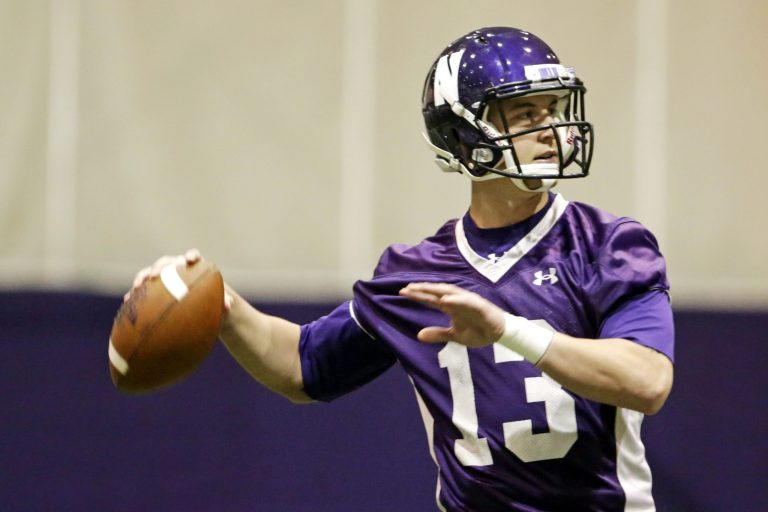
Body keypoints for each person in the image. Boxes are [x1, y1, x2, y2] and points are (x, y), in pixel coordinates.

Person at [131, 27, 674, 511]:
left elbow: (647, 380)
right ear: (465, 138)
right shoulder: (413, 272)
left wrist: (508, 331)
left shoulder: (608, 245)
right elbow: (303, 366)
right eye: (527, 113)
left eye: (553, 109)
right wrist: (222, 307)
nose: (552, 128)